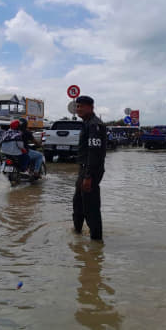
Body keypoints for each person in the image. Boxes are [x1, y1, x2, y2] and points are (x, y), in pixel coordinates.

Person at [72, 95, 106, 241]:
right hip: (84, 170)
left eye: (82, 106)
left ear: (91, 107)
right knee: (78, 204)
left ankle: (96, 243)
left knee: (90, 207)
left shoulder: (94, 125)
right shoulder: (86, 123)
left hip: (90, 171)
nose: (78, 109)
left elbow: (94, 152)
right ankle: (77, 234)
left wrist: (88, 176)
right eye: (77, 106)